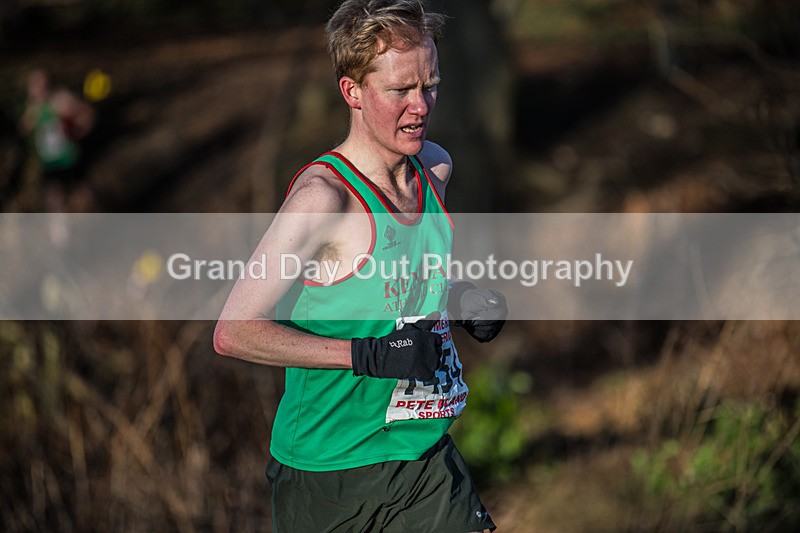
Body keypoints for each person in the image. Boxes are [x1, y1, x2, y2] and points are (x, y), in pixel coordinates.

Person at [214, 1, 507, 531]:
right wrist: (367, 354)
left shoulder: (434, 169)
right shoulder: (323, 199)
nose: (421, 106)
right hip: (328, 476)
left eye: (430, 85)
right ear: (352, 92)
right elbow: (234, 332)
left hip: (423, 461)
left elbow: (397, 284)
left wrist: (460, 299)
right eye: (400, 91)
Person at [19, 68, 95, 212]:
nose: (39, 88)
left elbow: (87, 115)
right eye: (34, 84)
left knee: (81, 195)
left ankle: (92, 223)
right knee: (54, 198)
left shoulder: (61, 100)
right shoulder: (32, 109)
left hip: (69, 158)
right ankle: (61, 231)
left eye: (42, 83)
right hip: (49, 163)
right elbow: (24, 129)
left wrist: (78, 129)